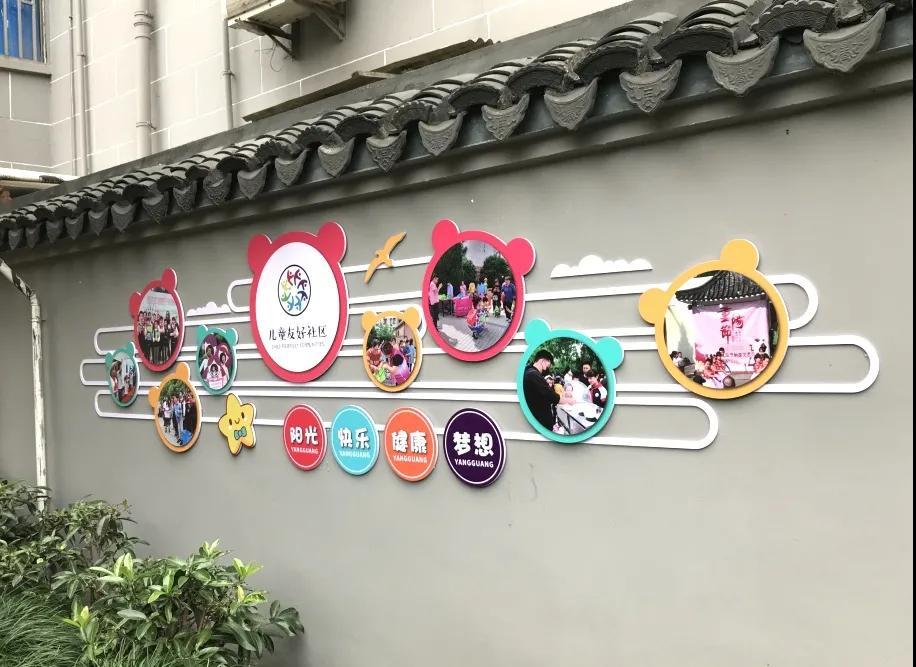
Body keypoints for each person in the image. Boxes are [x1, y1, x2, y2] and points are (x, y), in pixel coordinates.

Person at [523, 349, 559, 430]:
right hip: (540, 423)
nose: (546, 369)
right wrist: (567, 400)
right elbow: (550, 395)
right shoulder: (533, 374)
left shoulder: (529, 372)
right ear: (543, 361)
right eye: (547, 366)